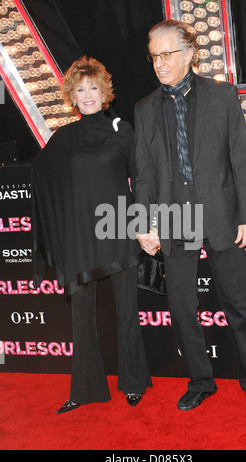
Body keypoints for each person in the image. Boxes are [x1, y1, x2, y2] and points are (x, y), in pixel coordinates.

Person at [134, 20, 246, 411]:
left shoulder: (223, 95)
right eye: (154, 56)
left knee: (239, 305)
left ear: (190, 54)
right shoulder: (144, 109)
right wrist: (143, 223)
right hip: (175, 218)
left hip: (222, 215)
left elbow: (241, 160)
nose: (159, 63)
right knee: (181, 308)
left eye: (166, 54)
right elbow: (143, 173)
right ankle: (200, 381)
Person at [31, 56, 152, 414]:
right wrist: (59, 230)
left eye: (93, 88)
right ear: (72, 94)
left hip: (118, 230)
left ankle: (133, 382)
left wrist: (146, 223)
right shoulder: (63, 137)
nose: (88, 95)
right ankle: (84, 390)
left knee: (128, 312)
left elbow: (143, 180)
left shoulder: (122, 130)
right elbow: (41, 178)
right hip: (81, 241)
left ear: (104, 92)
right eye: (81, 89)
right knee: (81, 317)